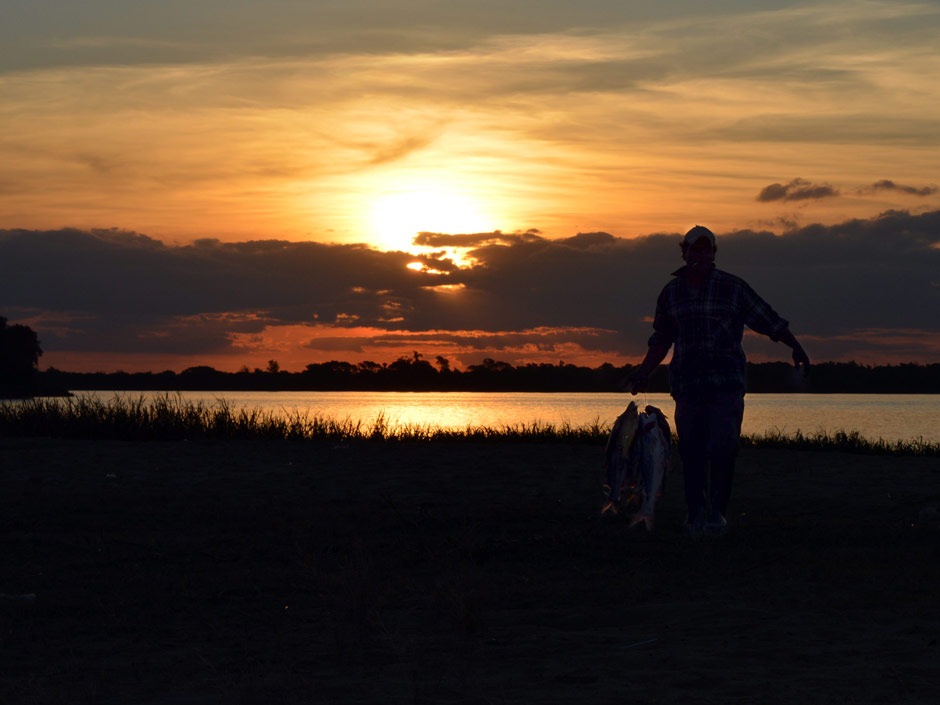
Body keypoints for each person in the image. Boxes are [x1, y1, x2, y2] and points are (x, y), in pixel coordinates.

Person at [624, 225, 810, 537]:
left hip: (726, 384)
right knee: (693, 451)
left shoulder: (733, 287)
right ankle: (695, 515)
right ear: (684, 253)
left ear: (714, 254)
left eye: (706, 250)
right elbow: (661, 340)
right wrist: (643, 372)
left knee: (724, 447)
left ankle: (716, 516)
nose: (700, 255)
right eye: (694, 250)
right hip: (687, 385)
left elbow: (767, 319)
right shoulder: (670, 293)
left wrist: (795, 345)